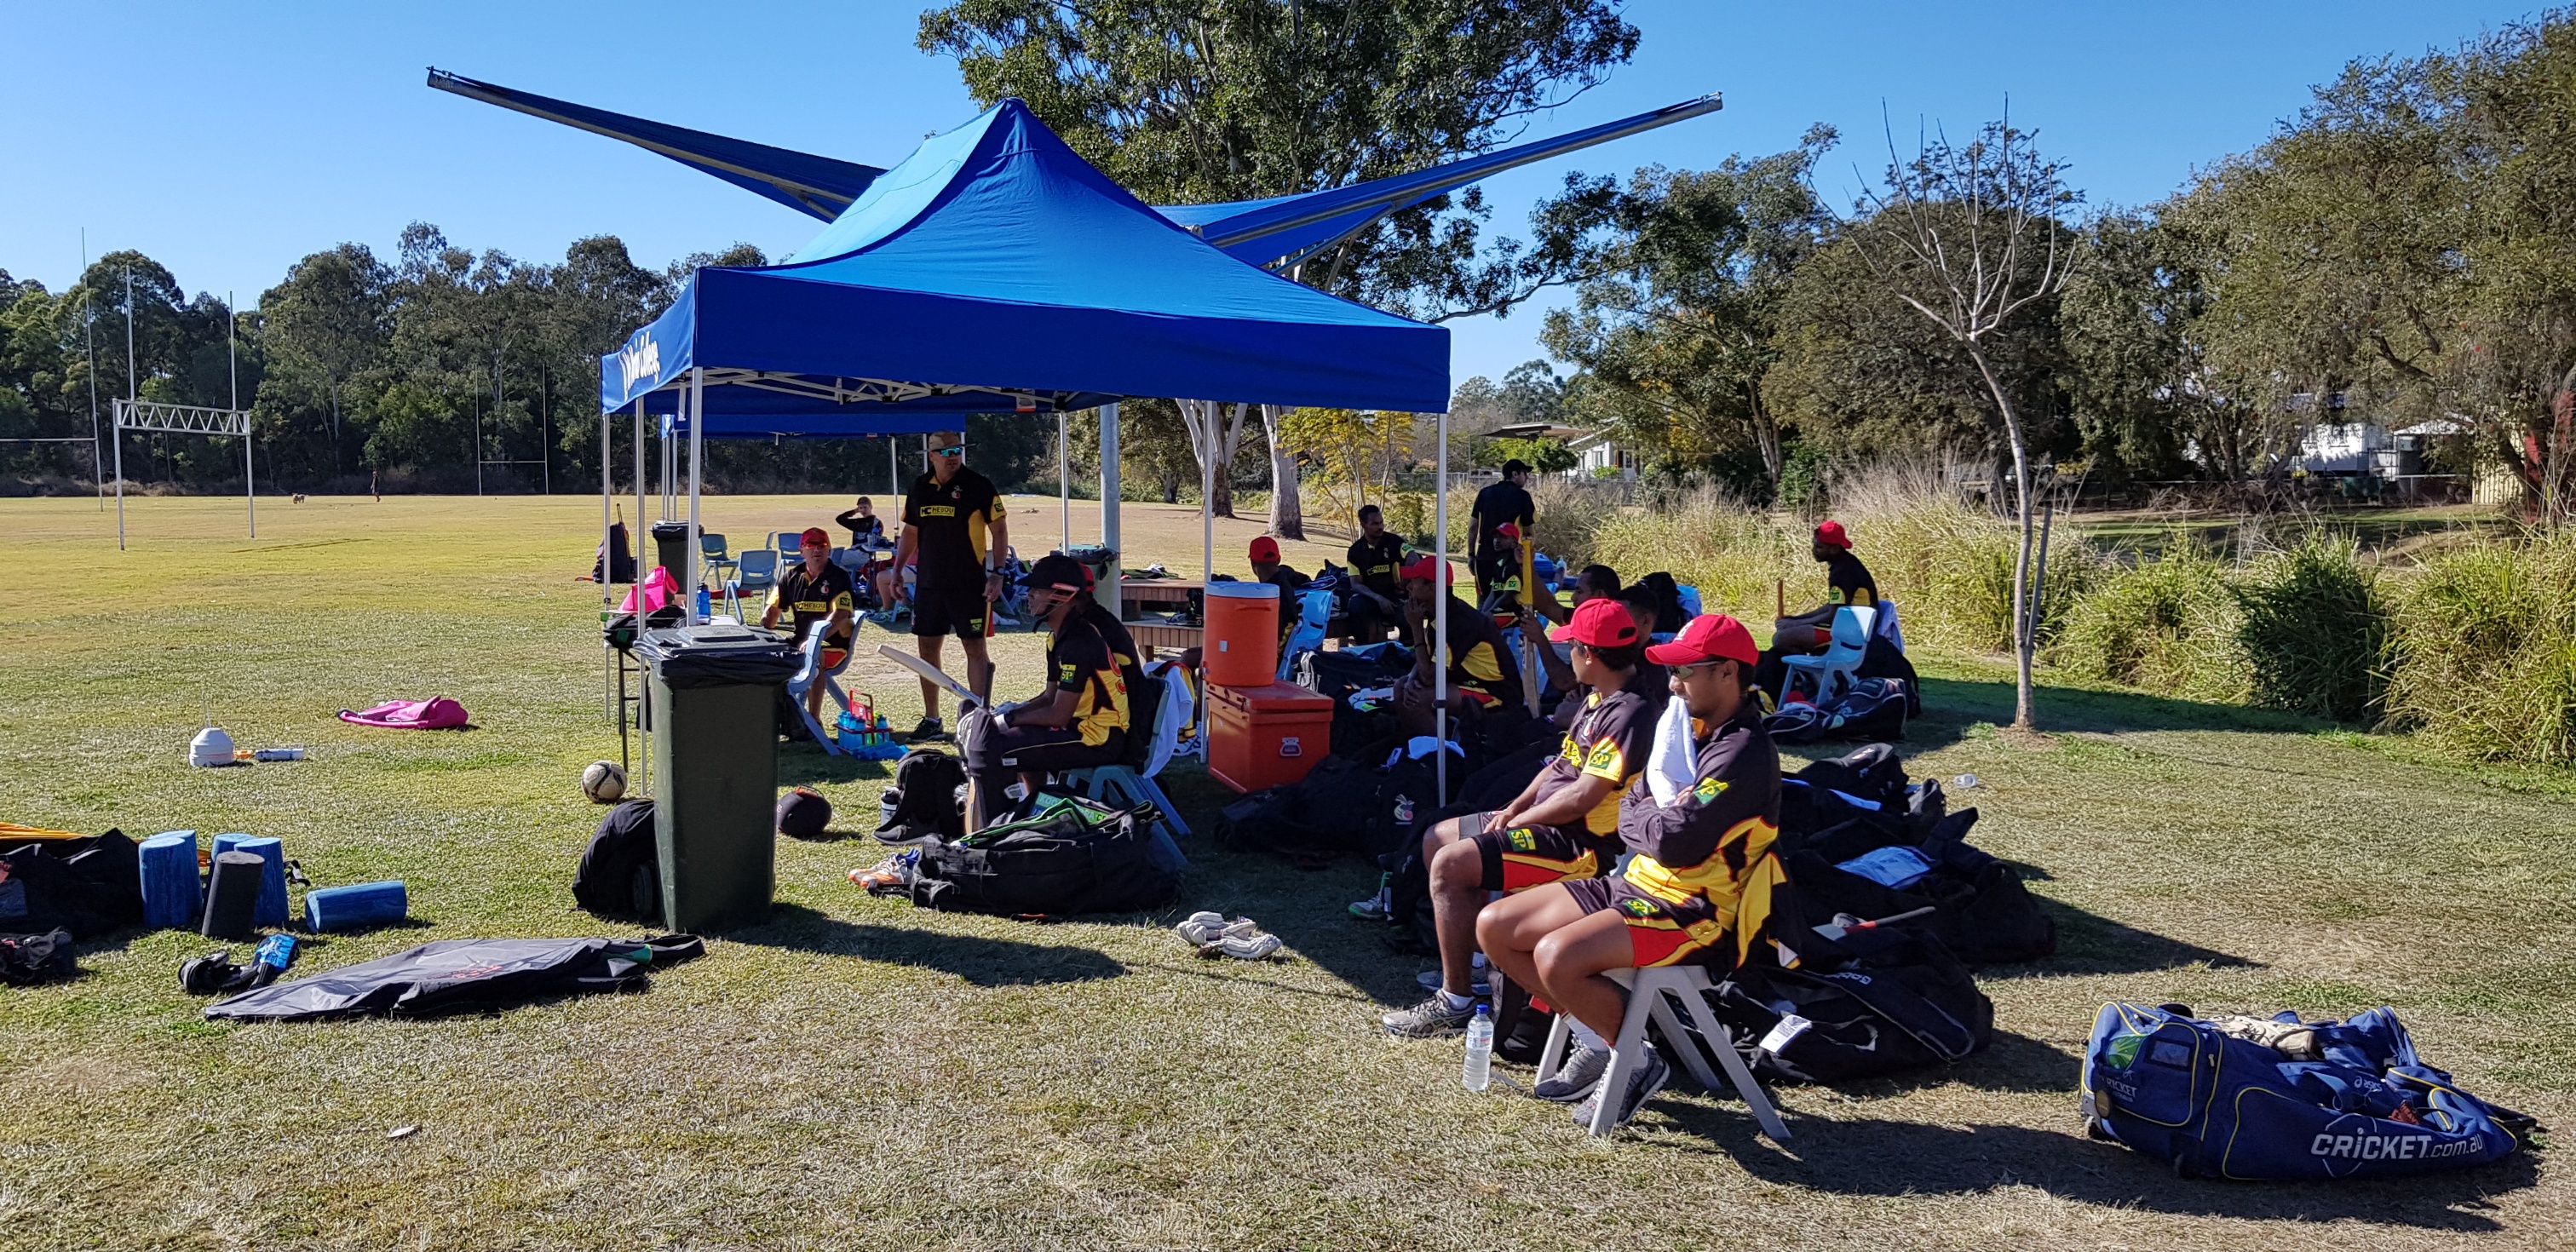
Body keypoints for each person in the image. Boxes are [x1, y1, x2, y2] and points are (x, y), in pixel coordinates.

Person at [1474, 612, 1781, 1128]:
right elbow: (1639, 806)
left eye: (1686, 671)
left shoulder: (1743, 751)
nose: (1673, 683)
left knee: (1556, 955)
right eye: (1671, 670)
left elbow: (1675, 841)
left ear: (1728, 672)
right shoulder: (1683, 726)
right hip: (1635, 881)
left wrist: (1650, 820)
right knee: (1496, 928)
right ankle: (1601, 1041)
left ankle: (1636, 1059)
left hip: (1692, 911)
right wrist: (1653, 816)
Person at [1380, 598, 1655, 1037]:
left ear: (1590, 654)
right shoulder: (1596, 699)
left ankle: (1455, 1000)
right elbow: (1558, 766)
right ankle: (1471, 970)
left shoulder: (1630, 714)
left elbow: (1584, 796)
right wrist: (1513, 808)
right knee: (1436, 838)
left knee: (1452, 864)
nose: (1569, 657)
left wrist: (1520, 821)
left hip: (1579, 846)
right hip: (1545, 824)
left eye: (1572, 648)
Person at [955, 554, 1144, 830]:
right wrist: (1009, 713)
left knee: (999, 744)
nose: (1028, 595)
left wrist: (1007, 722)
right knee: (1011, 736)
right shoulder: (1057, 637)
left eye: (1036, 590)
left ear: (1062, 595)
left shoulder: (1080, 642)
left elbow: (1058, 715)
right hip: (1081, 728)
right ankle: (1031, 811)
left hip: (1099, 739)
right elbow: (1048, 698)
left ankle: (996, 826)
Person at [890, 431, 1010, 740]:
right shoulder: (920, 487)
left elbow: (999, 530)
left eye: (957, 450)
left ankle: (980, 719)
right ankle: (933, 719)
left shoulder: (978, 485)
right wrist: (897, 571)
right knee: (927, 649)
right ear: (931, 456)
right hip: (929, 585)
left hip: (970, 585)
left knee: (975, 647)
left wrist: (997, 573)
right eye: (946, 451)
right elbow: (911, 533)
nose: (953, 456)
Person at [1392, 552, 1524, 738]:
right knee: (1401, 686)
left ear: (1433, 588)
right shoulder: (1437, 612)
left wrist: (1415, 629)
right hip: (1466, 681)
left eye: (1415, 581)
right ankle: (1416, 747)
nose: (1409, 586)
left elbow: (1430, 677)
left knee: (1420, 699)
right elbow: (1427, 662)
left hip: (1497, 693)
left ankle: (1439, 756)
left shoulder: (1459, 621)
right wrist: (1412, 677)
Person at [762, 528, 859, 724]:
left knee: (815, 655)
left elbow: (841, 613)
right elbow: (772, 611)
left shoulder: (838, 577)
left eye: (822, 545)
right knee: (768, 657)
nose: (817, 550)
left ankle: (813, 721)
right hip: (800, 642)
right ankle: (778, 719)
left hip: (833, 643)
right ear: (802, 551)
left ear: (829, 550)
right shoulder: (791, 577)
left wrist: (815, 639)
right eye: (810, 545)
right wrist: (763, 631)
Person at [1771, 519, 1878, 658]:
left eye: (1819, 547)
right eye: (1814, 545)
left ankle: (1812, 676)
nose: (1813, 550)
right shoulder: (1844, 564)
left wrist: (1793, 624)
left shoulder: (1842, 573)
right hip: (1846, 625)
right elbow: (1832, 607)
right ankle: (1809, 674)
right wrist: (1795, 620)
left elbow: (1833, 616)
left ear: (1834, 549)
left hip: (1852, 631)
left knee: (1781, 638)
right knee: (1784, 635)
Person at [1343, 503, 1409, 645]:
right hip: (1370, 598)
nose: (1380, 527)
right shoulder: (1355, 551)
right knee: (1355, 606)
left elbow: (1414, 558)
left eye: (1381, 522)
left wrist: (1404, 583)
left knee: (1409, 616)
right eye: (1374, 524)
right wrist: (1378, 598)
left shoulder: (1395, 542)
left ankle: (1407, 654)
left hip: (1395, 597)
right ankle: (1364, 650)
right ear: (1363, 524)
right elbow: (1355, 584)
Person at [1470, 460, 1536, 601]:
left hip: (1484, 556)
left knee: (1483, 600)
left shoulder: (1484, 493)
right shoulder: (1523, 496)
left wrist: (1471, 554)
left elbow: (1473, 527)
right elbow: (1528, 533)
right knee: (1509, 602)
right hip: (1510, 559)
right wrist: (1527, 559)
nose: (1527, 478)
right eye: (1525, 473)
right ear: (1515, 474)